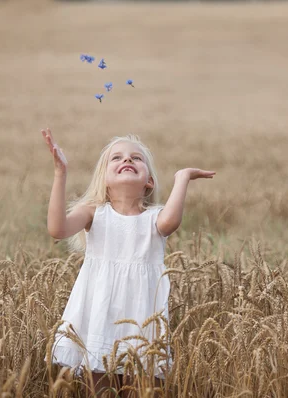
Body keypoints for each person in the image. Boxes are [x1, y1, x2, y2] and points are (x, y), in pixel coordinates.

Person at [41, 128, 215, 396]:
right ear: (105, 179)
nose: (127, 161)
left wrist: (182, 178)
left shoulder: (155, 218)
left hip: (141, 317)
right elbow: (57, 228)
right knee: (98, 388)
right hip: (99, 314)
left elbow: (171, 221)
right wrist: (60, 174)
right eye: (117, 158)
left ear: (149, 182)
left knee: (143, 388)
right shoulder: (93, 213)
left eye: (137, 158)